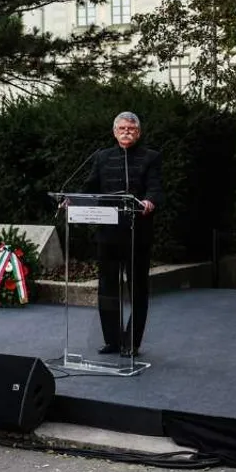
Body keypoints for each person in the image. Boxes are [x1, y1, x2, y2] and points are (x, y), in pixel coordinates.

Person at [83, 111, 164, 357]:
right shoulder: (102, 156)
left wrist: (150, 201)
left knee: (138, 288)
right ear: (114, 132)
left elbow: (155, 186)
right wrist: (72, 200)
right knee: (107, 288)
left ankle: (132, 343)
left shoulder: (151, 157)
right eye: (122, 128)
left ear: (138, 133)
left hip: (137, 233)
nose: (126, 132)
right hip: (107, 233)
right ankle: (112, 340)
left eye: (131, 128)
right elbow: (90, 186)